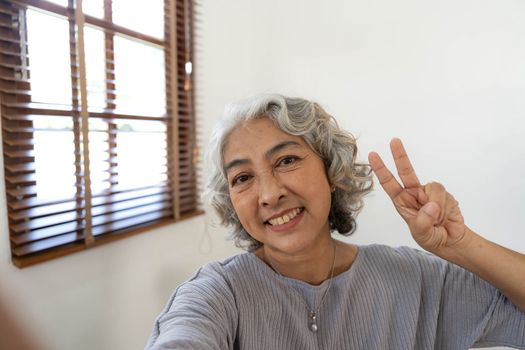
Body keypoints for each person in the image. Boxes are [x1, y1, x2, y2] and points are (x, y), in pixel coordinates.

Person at [145, 94, 525, 349]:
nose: (269, 193)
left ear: (331, 169)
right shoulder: (216, 295)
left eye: (287, 160)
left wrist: (459, 245)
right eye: (242, 178)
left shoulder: (414, 278)